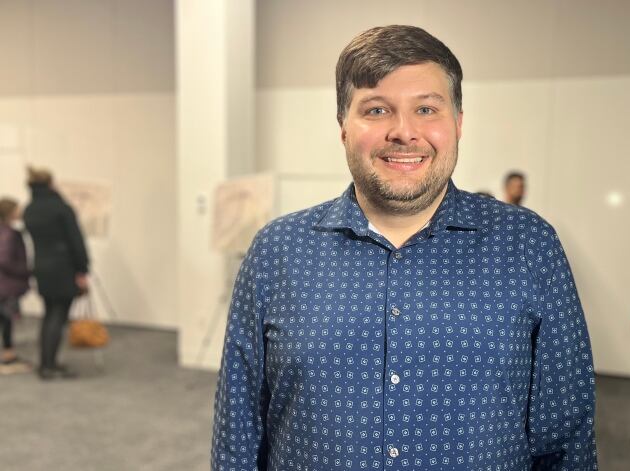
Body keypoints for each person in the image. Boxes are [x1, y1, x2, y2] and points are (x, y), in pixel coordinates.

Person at [212, 25, 597, 470]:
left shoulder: (529, 246)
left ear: (457, 123)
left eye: (426, 109)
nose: (404, 132)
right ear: (343, 128)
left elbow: (567, 438)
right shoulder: (277, 252)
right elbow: (237, 437)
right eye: (376, 110)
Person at [23, 167, 89, 380]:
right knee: (59, 316)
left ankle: (46, 362)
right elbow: (76, 241)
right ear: (51, 183)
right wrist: (82, 269)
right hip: (63, 267)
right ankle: (49, 366)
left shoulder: (30, 209)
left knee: (49, 313)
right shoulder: (61, 208)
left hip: (42, 267)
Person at [0, 197, 31, 365]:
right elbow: (4, 260)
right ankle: (8, 352)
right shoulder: (9, 234)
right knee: (6, 318)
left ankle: (8, 350)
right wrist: (26, 271)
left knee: (5, 318)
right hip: (6, 285)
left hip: (4, 284)